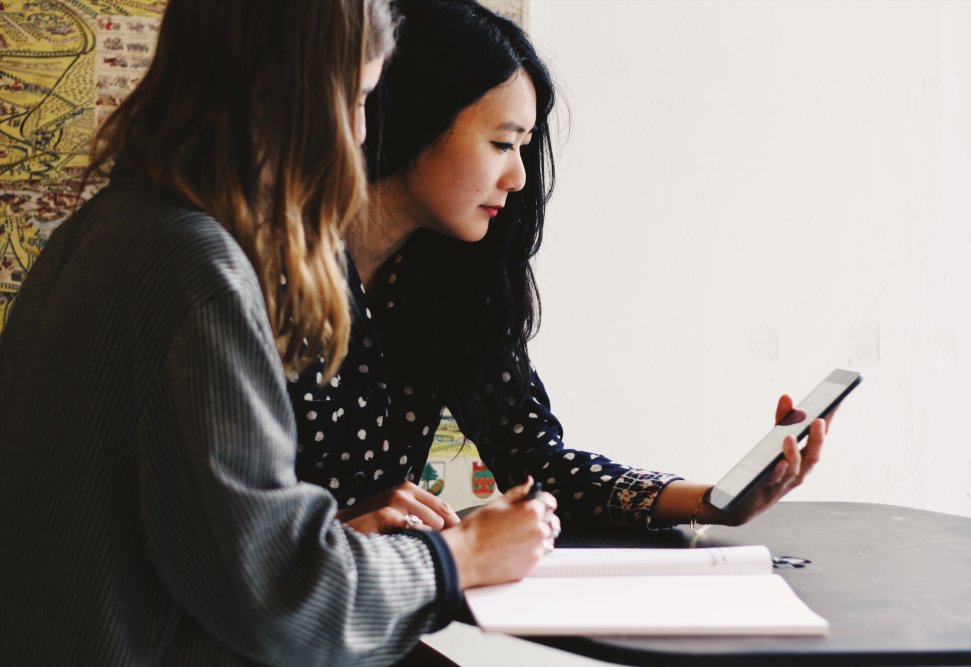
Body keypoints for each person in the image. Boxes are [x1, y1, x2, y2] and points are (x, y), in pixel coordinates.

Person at [0, 2, 557, 666]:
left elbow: (219, 552)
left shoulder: (111, 231)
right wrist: (457, 554)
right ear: (284, 93)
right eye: (353, 98)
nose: (359, 133)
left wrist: (329, 536)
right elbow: (286, 599)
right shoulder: (197, 271)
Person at [287, 0, 829, 536]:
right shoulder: (263, 275)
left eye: (523, 146)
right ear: (415, 117)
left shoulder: (446, 280)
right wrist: (332, 533)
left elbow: (537, 462)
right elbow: (219, 519)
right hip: (271, 605)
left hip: (384, 600)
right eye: (502, 143)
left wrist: (712, 503)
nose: (518, 177)